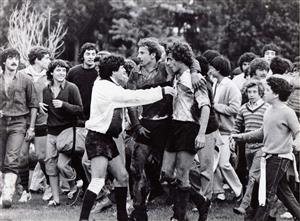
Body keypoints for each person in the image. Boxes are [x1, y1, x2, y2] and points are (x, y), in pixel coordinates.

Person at [78, 54, 174, 221]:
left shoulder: (107, 84)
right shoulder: (107, 88)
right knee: (98, 181)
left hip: (107, 139)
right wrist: (162, 91)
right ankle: (83, 219)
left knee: (122, 177)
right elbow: (133, 97)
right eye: (123, 69)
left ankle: (122, 218)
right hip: (98, 139)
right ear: (114, 71)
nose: (126, 72)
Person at [127, 37, 201, 221]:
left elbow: (190, 61)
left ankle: (188, 207)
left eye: (142, 53)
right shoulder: (135, 74)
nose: (138, 56)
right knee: (136, 169)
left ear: (153, 55)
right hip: (145, 125)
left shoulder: (166, 68)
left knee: (170, 174)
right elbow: (130, 102)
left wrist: (194, 73)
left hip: (167, 125)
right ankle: (139, 211)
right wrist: (136, 125)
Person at [232, 76, 300, 221]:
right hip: (268, 156)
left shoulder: (287, 112)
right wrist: (242, 137)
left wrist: (297, 143)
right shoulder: (269, 111)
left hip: (279, 158)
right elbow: (263, 132)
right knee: (283, 193)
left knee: (265, 194)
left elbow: (298, 132)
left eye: (268, 90)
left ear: (276, 94)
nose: (264, 92)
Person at [160, 41, 210, 221]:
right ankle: (201, 201)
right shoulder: (175, 76)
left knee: (182, 174)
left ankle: (179, 216)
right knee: (166, 174)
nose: (168, 62)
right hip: (174, 125)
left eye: (171, 59)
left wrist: (201, 133)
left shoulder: (193, 78)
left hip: (189, 127)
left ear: (180, 59)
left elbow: (205, 106)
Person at [0, 48, 39, 208]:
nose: (14, 61)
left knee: (12, 158)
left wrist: (31, 127)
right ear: (4, 61)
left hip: (19, 122)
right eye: (10, 58)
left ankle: (7, 194)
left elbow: (34, 104)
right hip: (1, 122)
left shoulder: (25, 79)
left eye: (16, 58)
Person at [41, 59, 83, 206]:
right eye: (58, 70)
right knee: (50, 165)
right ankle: (56, 199)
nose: (61, 73)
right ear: (51, 72)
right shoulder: (46, 90)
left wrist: (64, 105)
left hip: (67, 133)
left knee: (61, 165)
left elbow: (80, 109)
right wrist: (41, 104)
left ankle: (75, 185)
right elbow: (44, 106)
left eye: (64, 70)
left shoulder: (72, 88)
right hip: (51, 132)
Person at [17, 46, 52, 203]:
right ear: (37, 59)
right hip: (23, 121)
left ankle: (51, 186)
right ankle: (25, 190)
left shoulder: (50, 76)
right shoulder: (22, 74)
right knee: (22, 157)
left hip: (43, 122)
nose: (49, 61)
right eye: (47, 58)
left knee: (42, 156)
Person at [232, 80, 269, 215]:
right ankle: (256, 206)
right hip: (248, 148)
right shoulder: (243, 108)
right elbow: (236, 126)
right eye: (249, 92)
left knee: (253, 175)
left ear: (260, 93)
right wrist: (233, 137)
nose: (251, 95)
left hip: (262, 147)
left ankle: (244, 205)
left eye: (254, 92)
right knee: (252, 177)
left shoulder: (267, 108)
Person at [209, 55, 243, 201]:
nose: (209, 69)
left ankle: (239, 190)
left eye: (212, 67)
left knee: (224, 163)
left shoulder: (231, 86)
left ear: (218, 69)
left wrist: (217, 107)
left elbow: (235, 109)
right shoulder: (215, 83)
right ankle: (218, 192)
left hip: (226, 130)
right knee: (214, 164)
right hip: (215, 129)